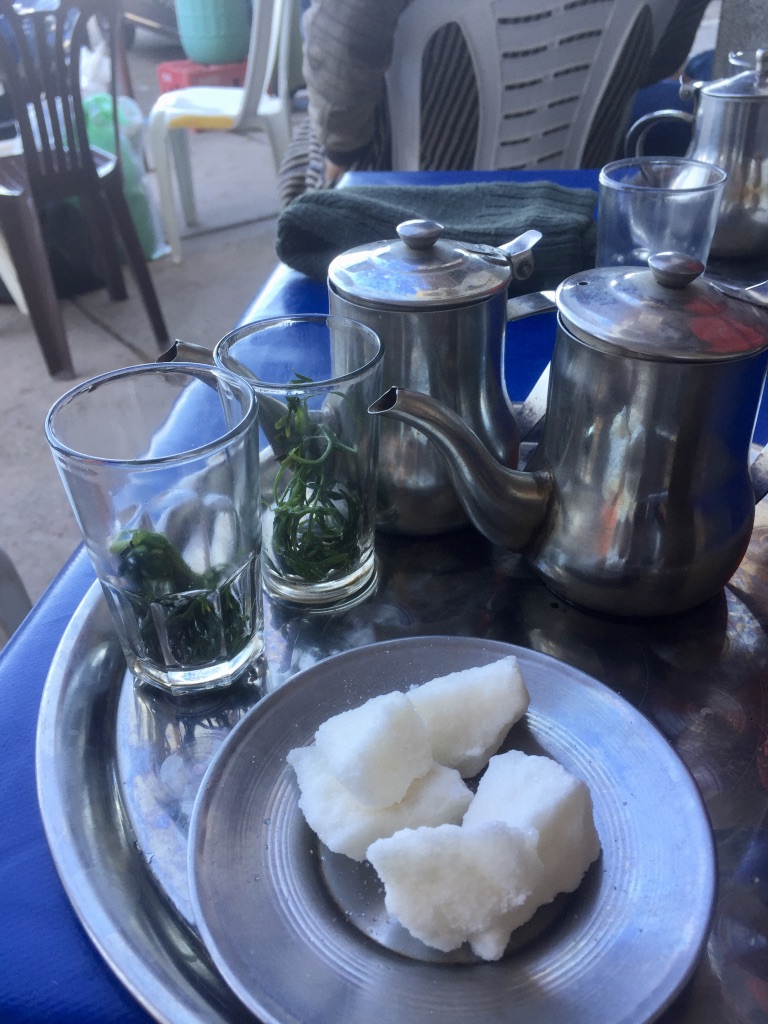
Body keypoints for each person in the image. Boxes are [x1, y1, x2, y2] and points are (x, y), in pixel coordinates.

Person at [278, 0, 478, 206]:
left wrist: (339, 152)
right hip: (490, 146)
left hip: (412, 157)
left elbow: (342, 34)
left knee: (302, 178)